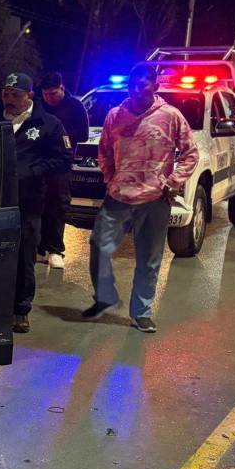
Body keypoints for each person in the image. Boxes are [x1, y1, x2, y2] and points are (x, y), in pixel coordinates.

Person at [83, 63, 198, 333]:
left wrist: (172, 183)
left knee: (148, 257)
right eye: (132, 85)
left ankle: (141, 312)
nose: (136, 90)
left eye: (143, 85)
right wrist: (110, 179)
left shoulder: (171, 116)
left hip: (154, 198)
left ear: (154, 86)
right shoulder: (115, 115)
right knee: (99, 246)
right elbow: (104, 152)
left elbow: (190, 153)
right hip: (118, 196)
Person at [0, 72, 72, 334]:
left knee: (24, 256)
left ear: (29, 96)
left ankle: (20, 309)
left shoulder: (48, 124)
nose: (9, 99)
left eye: (15, 95)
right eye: (5, 94)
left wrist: (33, 171)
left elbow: (63, 159)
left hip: (26, 203)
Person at [36, 72, 90, 269]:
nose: (50, 98)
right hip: (38, 162)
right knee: (37, 203)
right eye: (46, 94)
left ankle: (55, 249)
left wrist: (59, 133)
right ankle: (39, 247)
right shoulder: (39, 106)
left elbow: (83, 133)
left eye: (54, 93)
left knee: (58, 205)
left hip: (61, 163)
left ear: (62, 88)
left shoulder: (75, 106)